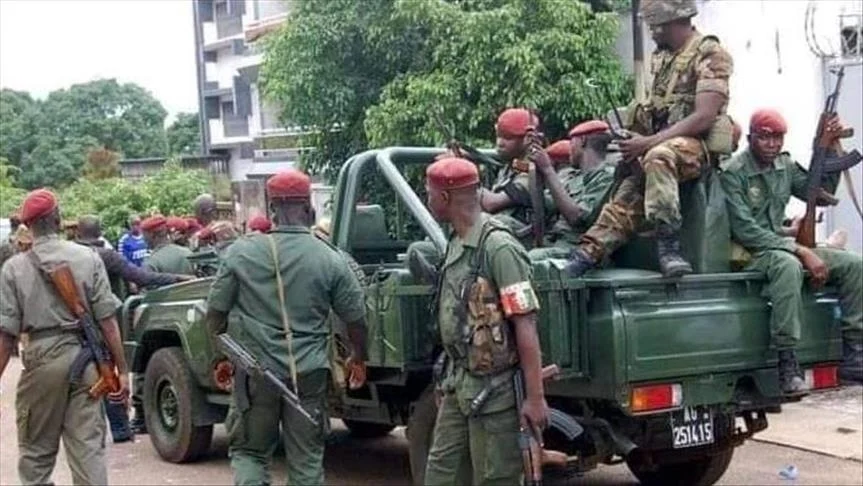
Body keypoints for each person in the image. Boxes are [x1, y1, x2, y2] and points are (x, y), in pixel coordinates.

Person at [205, 169, 369, 486]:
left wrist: (221, 357)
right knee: (306, 461)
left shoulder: (241, 252)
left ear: (272, 209)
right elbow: (356, 318)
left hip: (254, 374)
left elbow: (214, 316)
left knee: (250, 454)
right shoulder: (331, 258)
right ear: (309, 207)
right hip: (308, 374)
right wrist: (357, 357)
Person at [565, 0, 734, 278]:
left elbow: (704, 116)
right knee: (629, 189)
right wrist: (635, 138)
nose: (652, 33)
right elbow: (656, 109)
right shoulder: (663, 57)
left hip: (696, 147)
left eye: (657, 26)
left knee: (659, 156)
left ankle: (668, 244)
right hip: (662, 145)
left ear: (675, 21)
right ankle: (586, 254)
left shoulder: (710, 54)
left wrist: (648, 143)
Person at [422, 157, 548, 485]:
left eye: (430, 193)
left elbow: (525, 324)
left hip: (496, 393)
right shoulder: (456, 242)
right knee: (441, 475)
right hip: (459, 383)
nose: (428, 199)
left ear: (446, 197)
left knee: (495, 478)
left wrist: (535, 398)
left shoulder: (498, 247)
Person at [720, 109, 863, 393]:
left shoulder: (784, 166)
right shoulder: (734, 173)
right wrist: (800, 250)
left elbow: (819, 193)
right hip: (751, 252)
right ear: (751, 138)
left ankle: (855, 352)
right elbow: (745, 230)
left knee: (854, 264)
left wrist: (826, 148)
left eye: (778, 138)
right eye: (765, 137)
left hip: (781, 246)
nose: (772, 144)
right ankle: (788, 361)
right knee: (788, 266)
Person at [0, 188, 129, 485]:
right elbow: (108, 322)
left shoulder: (13, 269)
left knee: (36, 456)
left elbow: (6, 337)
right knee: (88, 454)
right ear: (58, 219)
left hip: (41, 363)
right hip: (87, 363)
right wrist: (122, 371)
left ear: (28, 226)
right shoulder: (89, 257)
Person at [529, 121, 618, 261]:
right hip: (554, 242)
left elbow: (576, 217)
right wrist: (536, 167)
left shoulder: (607, 177)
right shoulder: (571, 176)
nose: (569, 148)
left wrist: (547, 169)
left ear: (582, 141)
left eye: (572, 142)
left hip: (581, 251)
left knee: (531, 259)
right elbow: (544, 205)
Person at [478, 107, 543, 244]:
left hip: (521, 238)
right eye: (499, 136)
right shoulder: (512, 164)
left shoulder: (532, 169)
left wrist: (468, 179)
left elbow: (492, 203)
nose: (500, 143)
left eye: (508, 138)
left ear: (527, 139)